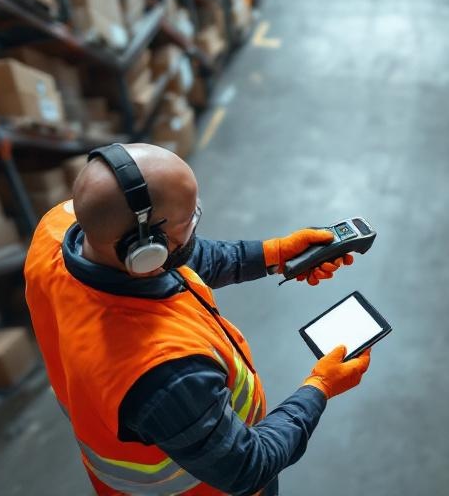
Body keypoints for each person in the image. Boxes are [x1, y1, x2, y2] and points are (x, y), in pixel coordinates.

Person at [24, 143, 372, 496]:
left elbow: (185, 257)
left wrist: (276, 254)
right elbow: (248, 466)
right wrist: (320, 387)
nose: (194, 225)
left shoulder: (61, 229)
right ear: (146, 250)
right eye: (189, 219)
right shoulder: (161, 370)